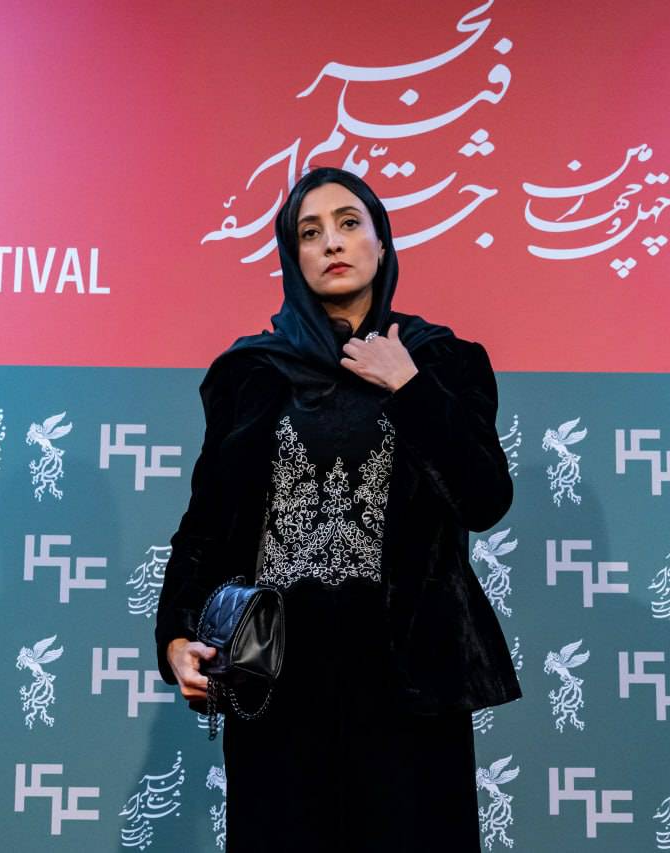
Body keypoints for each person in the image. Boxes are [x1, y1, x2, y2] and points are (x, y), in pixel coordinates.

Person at [155, 166, 521, 852]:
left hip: (408, 683)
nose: (331, 242)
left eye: (349, 223)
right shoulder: (252, 373)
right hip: (277, 680)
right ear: (292, 257)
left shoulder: (440, 360)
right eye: (309, 232)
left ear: (381, 243)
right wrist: (175, 635)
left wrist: (409, 386)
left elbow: (484, 499)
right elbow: (206, 525)